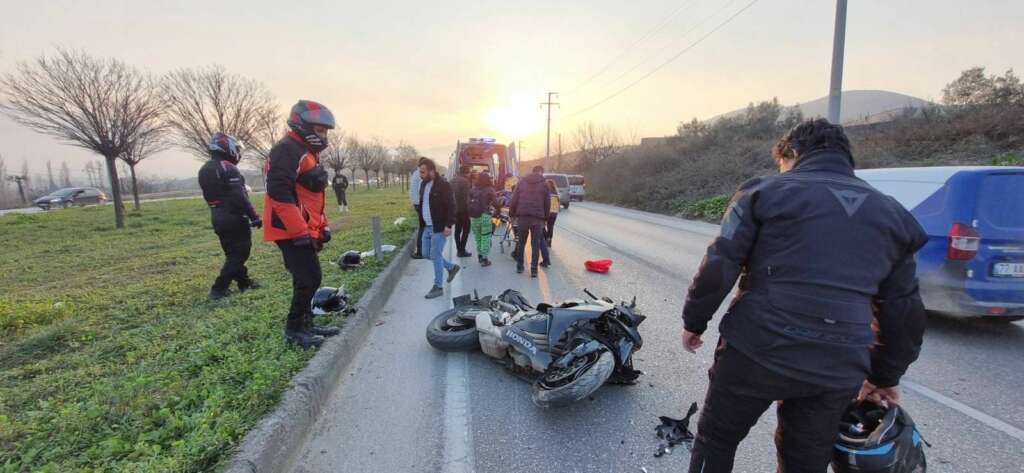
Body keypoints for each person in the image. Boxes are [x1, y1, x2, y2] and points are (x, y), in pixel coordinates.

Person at [680, 119, 928, 473]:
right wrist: (885, 376)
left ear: (792, 153)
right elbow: (902, 309)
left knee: (716, 439)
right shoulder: (892, 215)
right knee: (805, 461)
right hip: (838, 363)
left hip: (756, 349)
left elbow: (721, 262)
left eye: (783, 164)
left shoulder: (762, 193)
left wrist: (694, 320)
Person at [264, 100, 341, 347]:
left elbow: (311, 198)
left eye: (326, 131)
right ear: (302, 125)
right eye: (319, 130)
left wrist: (322, 227)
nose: (323, 136)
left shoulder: (308, 153)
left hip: (303, 227)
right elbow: (279, 192)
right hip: (288, 229)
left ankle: (306, 325)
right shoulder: (288, 149)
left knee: (308, 279)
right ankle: (294, 331)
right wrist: (299, 232)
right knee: (308, 278)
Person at [198, 132, 262, 300]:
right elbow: (239, 196)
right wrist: (254, 216)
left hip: (216, 215)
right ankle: (219, 288)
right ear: (228, 148)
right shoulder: (228, 167)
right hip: (234, 216)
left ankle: (244, 282)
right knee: (240, 253)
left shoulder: (205, 168)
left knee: (233, 252)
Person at [416, 158, 461, 299]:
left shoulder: (444, 185)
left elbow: (452, 206)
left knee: (435, 255)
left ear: (432, 171)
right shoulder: (423, 184)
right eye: (419, 171)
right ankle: (451, 267)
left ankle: (438, 286)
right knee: (426, 254)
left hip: (439, 227)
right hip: (426, 227)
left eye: (422, 172)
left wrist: (449, 225)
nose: (420, 175)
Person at [509, 165, 551, 277]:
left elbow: (514, 199)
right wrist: (546, 218)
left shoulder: (522, 182)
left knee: (521, 243)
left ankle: (519, 266)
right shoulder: (544, 184)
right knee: (535, 244)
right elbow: (547, 203)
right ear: (540, 173)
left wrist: (511, 214)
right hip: (537, 219)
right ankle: (533, 270)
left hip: (522, 217)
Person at [468, 171, 501, 267]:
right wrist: (498, 211)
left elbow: (468, 201)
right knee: (485, 237)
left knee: (478, 237)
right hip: (485, 216)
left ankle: (479, 256)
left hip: (474, 217)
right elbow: (496, 203)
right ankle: (484, 259)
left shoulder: (473, 189)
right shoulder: (490, 189)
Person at [451, 166, 473, 258]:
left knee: (457, 230)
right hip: (463, 210)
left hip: (454, 210)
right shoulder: (465, 182)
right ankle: (462, 250)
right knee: (466, 229)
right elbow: (466, 198)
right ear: (466, 172)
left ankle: (458, 250)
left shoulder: (452, 180)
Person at [409, 157, 427, 259]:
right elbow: (423, 189)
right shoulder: (420, 174)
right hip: (420, 203)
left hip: (417, 203)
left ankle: (422, 250)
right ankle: (420, 251)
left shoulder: (415, 173)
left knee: (423, 227)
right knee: (423, 227)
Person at [544, 179, 560, 249]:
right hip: (554, 213)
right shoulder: (556, 193)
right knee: (550, 227)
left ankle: (546, 239)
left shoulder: (547, 193)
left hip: (548, 212)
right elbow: (559, 203)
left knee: (542, 226)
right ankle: (549, 242)